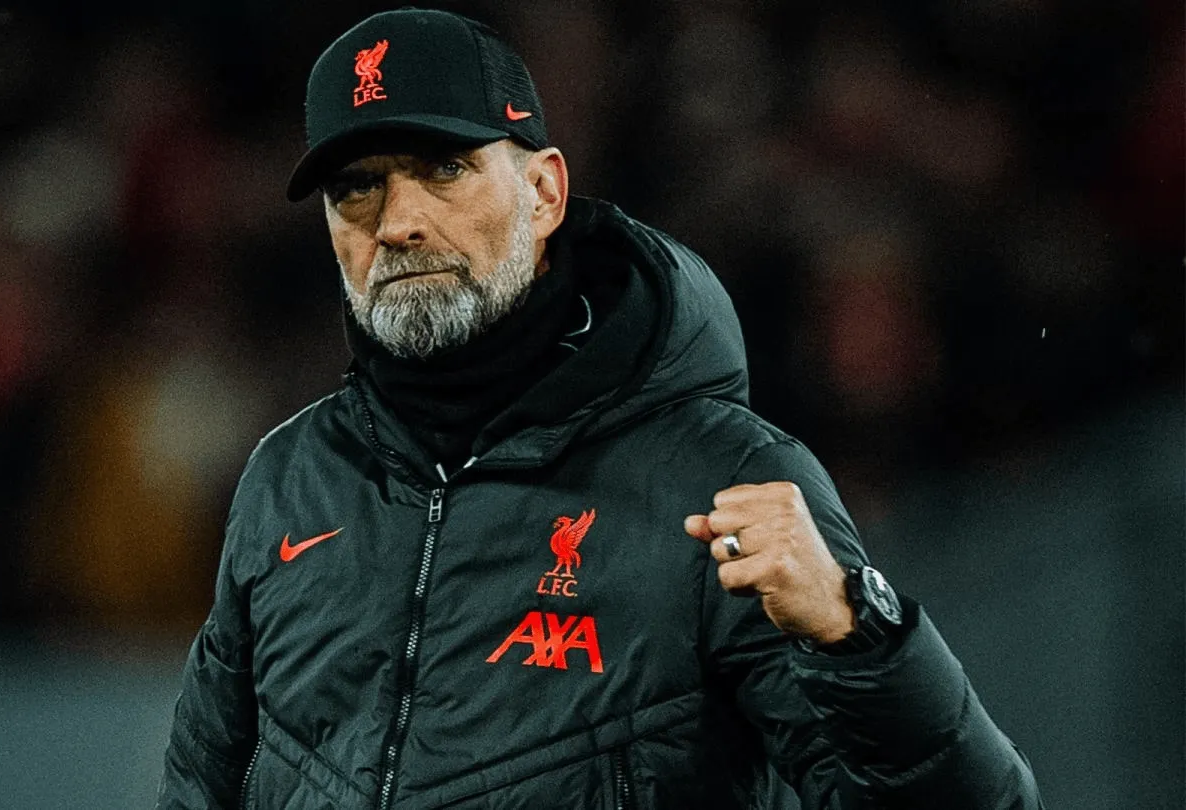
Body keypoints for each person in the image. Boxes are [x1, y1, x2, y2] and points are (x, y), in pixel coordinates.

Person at [157, 9, 1042, 808]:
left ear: (544, 193)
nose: (397, 222)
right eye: (357, 187)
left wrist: (857, 633)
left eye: (444, 168)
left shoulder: (721, 479)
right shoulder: (289, 479)